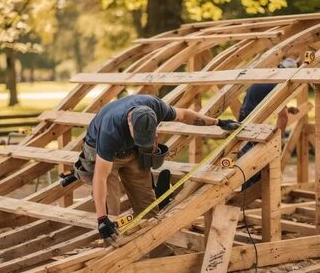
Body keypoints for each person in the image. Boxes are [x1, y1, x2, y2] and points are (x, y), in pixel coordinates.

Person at [74, 94, 240, 241]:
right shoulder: (111, 131)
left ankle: (151, 245)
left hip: (132, 151)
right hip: (101, 152)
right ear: (130, 122)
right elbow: (101, 177)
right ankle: (109, 249)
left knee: (147, 203)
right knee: (111, 208)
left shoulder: (156, 106)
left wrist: (218, 122)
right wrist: (102, 219)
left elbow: (184, 115)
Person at [239, 56, 300, 188]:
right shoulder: (280, 85)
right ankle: (248, 194)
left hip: (245, 115)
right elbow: (282, 117)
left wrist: (287, 108)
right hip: (252, 119)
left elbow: (266, 101)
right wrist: (278, 139)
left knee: (247, 155)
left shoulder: (268, 76)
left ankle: (249, 193)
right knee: (255, 160)